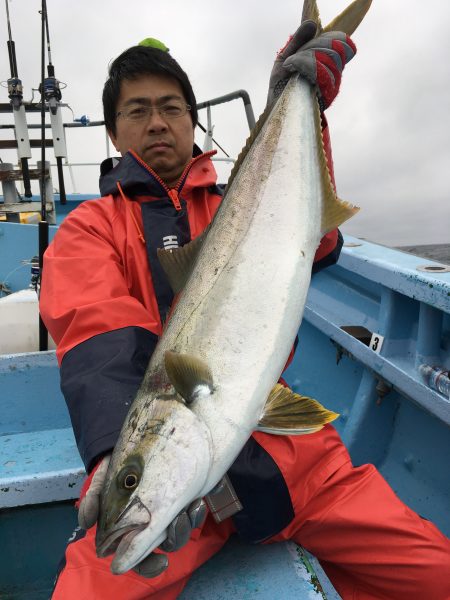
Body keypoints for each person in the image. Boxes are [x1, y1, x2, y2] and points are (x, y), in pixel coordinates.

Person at [40, 22, 450, 600]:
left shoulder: (246, 199)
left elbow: (320, 242)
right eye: (137, 111)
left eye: (171, 107)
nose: (157, 122)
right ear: (113, 132)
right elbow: (100, 335)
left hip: (293, 462)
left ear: (192, 120)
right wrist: (117, 457)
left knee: (436, 574)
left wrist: (300, 100)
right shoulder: (89, 230)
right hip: (183, 501)